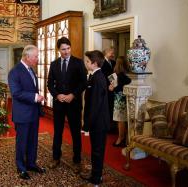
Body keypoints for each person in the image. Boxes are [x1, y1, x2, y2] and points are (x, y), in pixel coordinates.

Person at [47, 37, 87, 173]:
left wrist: (73, 95)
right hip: (59, 103)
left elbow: (83, 83)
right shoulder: (54, 64)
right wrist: (57, 95)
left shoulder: (78, 63)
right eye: (63, 49)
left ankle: (77, 161)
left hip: (74, 104)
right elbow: (49, 84)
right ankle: (55, 158)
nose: (66, 52)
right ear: (59, 50)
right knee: (57, 132)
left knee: (76, 133)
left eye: (68, 48)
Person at [8, 45, 46, 180]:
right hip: (22, 114)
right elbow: (16, 93)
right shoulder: (15, 72)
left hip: (33, 113)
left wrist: (37, 97)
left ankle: (31, 163)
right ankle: (21, 168)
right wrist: (35, 97)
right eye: (35, 56)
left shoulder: (31, 70)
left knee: (33, 141)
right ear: (27, 57)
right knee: (22, 142)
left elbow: (31, 88)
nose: (37, 58)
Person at [81, 50, 110, 186]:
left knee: (97, 151)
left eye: (87, 61)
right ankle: (95, 174)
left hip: (98, 121)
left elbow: (95, 105)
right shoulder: (94, 75)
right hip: (96, 120)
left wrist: (87, 125)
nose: (85, 63)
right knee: (95, 150)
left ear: (94, 63)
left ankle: (96, 178)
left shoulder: (98, 78)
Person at [108, 56, 131, 147]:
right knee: (124, 120)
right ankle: (124, 138)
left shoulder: (118, 75)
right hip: (126, 99)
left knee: (120, 120)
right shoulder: (128, 75)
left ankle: (120, 138)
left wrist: (112, 88)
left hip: (119, 100)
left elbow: (118, 89)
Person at [101, 47, 116, 132]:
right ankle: (106, 127)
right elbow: (103, 76)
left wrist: (114, 84)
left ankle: (111, 127)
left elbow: (115, 74)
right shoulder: (102, 63)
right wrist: (109, 85)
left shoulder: (114, 62)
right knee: (105, 108)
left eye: (113, 53)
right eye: (111, 53)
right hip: (105, 89)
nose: (113, 55)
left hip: (113, 89)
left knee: (111, 108)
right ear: (106, 53)